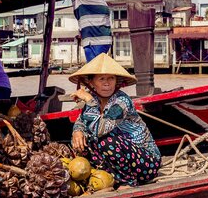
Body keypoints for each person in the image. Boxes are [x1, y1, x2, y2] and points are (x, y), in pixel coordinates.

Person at [69, 53, 160, 187]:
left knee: (107, 141)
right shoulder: (95, 100)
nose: (107, 83)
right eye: (101, 79)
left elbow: (101, 129)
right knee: (82, 143)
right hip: (122, 160)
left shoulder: (121, 102)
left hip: (146, 162)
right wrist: (77, 132)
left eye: (111, 78)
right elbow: (81, 121)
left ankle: (127, 182)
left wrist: (88, 100)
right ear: (91, 82)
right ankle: (108, 177)